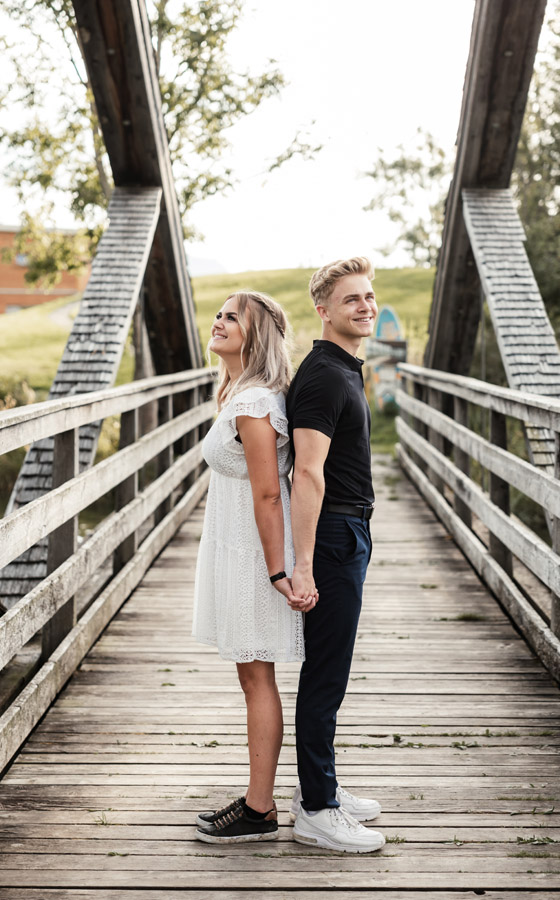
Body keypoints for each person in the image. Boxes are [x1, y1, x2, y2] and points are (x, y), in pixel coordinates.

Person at [192, 290, 317, 845]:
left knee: (255, 674)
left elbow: (270, 495)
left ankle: (259, 809)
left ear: (257, 333)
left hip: (254, 554)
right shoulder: (243, 394)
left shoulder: (254, 404)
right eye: (218, 314)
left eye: (232, 317)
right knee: (251, 673)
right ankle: (258, 800)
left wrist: (275, 574)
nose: (219, 322)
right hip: (240, 547)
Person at [286, 257, 385, 853]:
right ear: (323, 310)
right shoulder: (325, 376)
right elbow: (307, 473)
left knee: (331, 672)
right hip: (331, 537)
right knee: (326, 675)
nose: (366, 306)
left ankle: (318, 786)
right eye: (352, 299)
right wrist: (303, 564)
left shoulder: (344, 369)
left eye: (369, 297)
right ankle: (317, 810)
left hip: (349, 531)